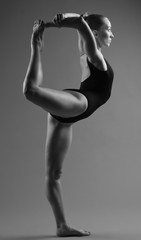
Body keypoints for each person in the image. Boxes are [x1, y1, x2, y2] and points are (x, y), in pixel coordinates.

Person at [23, 12, 114, 237]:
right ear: (94, 33)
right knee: (31, 91)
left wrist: (59, 24)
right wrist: (72, 21)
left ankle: (61, 226)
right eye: (108, 29)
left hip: (65, 117)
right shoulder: (96, 58)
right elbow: (81, 25)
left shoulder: (86, 53)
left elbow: (79, 26)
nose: (112, 34)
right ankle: (35, 47)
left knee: (53, 174)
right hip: (77, 104)